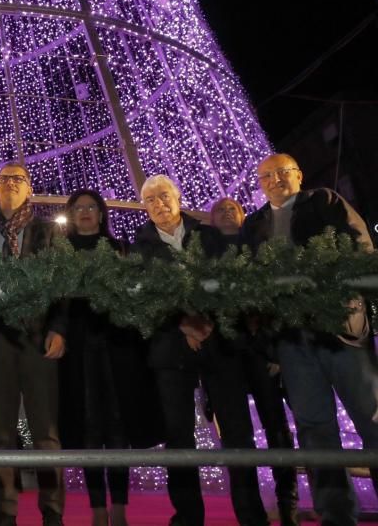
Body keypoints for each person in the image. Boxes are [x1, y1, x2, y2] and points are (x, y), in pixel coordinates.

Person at [241, 153, 377, 525]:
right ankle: (337, 515)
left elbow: (361, 249)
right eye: (266, 175)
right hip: (291, 339)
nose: (275, 180)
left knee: (373, 418)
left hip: (341, 331)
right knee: (315, 429)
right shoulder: (254, 225)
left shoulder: (325, 202)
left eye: (283, 172)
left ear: (299, 174)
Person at [131, 175, 266, 526]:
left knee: (236, 430)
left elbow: (230, 280)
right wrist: (184, 322)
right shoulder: (139, 247)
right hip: (170, 349)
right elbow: (142, 297)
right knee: (178, 434)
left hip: (219, 341)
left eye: (164, 196)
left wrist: (206, 322)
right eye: (151, 200)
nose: (159, 204)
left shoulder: (208, 236)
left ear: (177, 197)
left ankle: (251, 513)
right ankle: (188, 516)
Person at [0, 162, 66, 526]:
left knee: (46, 432)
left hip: (38, 339)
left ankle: (52, 512)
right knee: (0, 432)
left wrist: (58, 328)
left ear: (29, 189)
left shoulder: (47, 233)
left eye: (18, 179)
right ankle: (3, 510)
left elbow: (62, 285)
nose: (10, 184)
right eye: (3, 179)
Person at [57, 189, 162, 526]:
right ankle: (97, 508)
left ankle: (118, 505)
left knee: (118, 423)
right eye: (79, 208)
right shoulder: (60, 251)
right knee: (88, 424)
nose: (86, 213)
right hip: (77, 347)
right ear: (71, 215)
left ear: (101, 214)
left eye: (92, 207)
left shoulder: (122, 249)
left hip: (118, 345)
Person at [209, 196, 299, 526]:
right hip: (223, 351)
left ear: (243, 215)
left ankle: (287, 503)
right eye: (219, 210)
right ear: (211, 219)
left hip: (262, 349)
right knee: (236, 436)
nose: (226, 212)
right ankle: (249, 514)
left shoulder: (260, 247)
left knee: (277, 429)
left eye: (232, 208)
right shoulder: (204, 251)